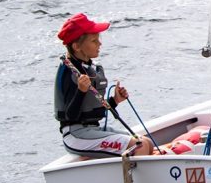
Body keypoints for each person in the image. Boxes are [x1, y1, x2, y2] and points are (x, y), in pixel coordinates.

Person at [54, 13, 154, 156]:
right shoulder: (69, 73)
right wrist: (81, 91)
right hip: (76, 136)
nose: (100, 44)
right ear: (77, 46)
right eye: (94, 41)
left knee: (147, 143)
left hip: (93, 130)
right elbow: (71, 116)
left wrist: (115, 100)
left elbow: (93, 111)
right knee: (139, 146)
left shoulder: (89, 68)